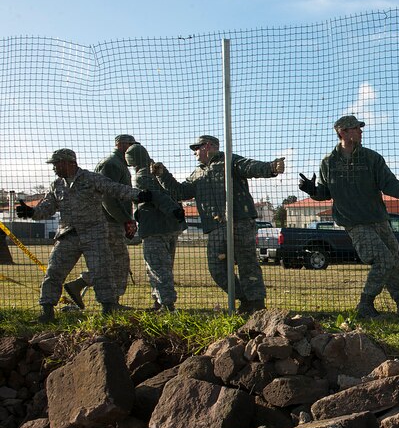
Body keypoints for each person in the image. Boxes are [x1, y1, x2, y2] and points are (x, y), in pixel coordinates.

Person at [298, 115, 399, 319]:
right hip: (354, 222)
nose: (361, 132)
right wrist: (312, 191)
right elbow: (325, 192)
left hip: (378, 218)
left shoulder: (372, 158)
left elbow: (388, 181)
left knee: (392, 259)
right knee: (383, 258)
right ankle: (365, 304)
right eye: (356, 128)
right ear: (343, 132)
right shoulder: (328, 163)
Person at [15, 148, 153, 322]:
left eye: (57, 164)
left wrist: (138, 195)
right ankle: (47, 312)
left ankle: (108, 310)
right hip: (68, 235)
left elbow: (114, 189)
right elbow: (47, 207)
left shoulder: (91, 178)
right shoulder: (56, 185)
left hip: (94, 234)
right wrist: (31, 212)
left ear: (69, 163)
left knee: (102, 272)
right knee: (54, 272)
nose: (54, 168)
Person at [152, 135, 284, 314]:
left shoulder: (229, 161)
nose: (194, 153)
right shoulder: (197, 174)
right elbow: (180, 192)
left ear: (207, 146)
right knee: (216, 267)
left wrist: (270, 167)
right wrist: (163, 175)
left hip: (240, 221)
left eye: (196, 148)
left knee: (247, 263)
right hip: (215, 226)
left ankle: (256, 304)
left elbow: (249, 166)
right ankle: (244, 298)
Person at [63, 134, 138, 309]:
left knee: (110, 261)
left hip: (111, 220)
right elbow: (107, 197)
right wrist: (125, 219)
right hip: (109, 221)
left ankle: (81, 285)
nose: (134, 149)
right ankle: (111, 301)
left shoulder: (118, 164)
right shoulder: (111, 164)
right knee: (118, 261)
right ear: (120, 145)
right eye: (131, 145)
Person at [125, 143, 186, 312]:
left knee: (157, 268)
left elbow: (156, 196)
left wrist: (172, 210)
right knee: (164, 267)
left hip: (154, 228)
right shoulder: (156, 172)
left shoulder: (141, 177)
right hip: (172, 227)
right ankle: (159, 302)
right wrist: (176, 212)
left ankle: (167, 305)